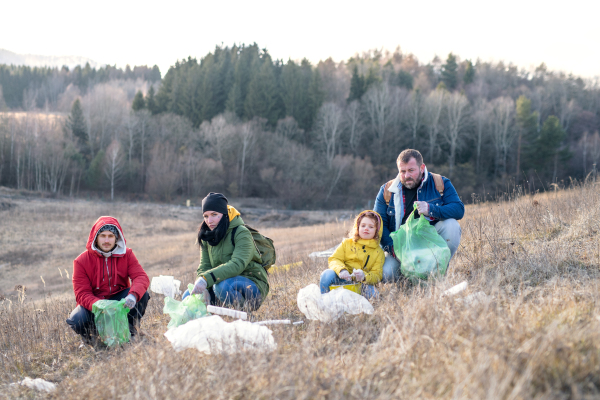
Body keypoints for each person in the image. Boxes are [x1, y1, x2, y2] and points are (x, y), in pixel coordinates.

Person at [374, 149, 464, 283]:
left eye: (411, 170)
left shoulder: (440, 183)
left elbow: (458, 209)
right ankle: (409, 277)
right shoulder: (387, 190)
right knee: (386, 274)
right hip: (401, 247)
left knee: (452, 226)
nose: (406, 176)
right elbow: (379, 225)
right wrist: (395, 250)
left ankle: (438, 270)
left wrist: (431, 209)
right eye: (402, 171)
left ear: (422, 168)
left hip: (430, 242)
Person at [67, 216, 150, 344]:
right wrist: (99, 305)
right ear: (95, 237)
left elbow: (141, 277)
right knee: (77, 318)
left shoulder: (126, 255)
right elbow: (81, 294)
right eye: (102, 236)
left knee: (142, 295)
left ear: (116, 238)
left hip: (120, 302)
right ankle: (92, 339)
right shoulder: (81, 261)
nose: (106, 240)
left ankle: (130, 331)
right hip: (95, 305)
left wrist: (132, 296)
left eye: (111, 236)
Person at [182, 192, 269, 311]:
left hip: (251, 284)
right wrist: (204, 287)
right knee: (187, 296)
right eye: (206, 216)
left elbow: (237, 264)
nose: (209, 220)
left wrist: (206, 279)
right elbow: (204, 266)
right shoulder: (208, 235)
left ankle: (245, 314)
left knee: (222, 287)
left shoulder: (241, 232)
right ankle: (213, 318)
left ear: (224, 214)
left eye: (214, 214)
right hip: (220, 284)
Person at [319, 210, 384, 299]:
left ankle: (360, 303)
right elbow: (334, 259)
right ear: (357, 227)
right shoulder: (347, 243)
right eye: (363, 225)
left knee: (374, 295)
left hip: (361, 284)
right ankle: (324, 299)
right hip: (341, 279)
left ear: (377, 231)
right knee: (327, 274)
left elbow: (377, 275)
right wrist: (341, 270)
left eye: (371, 227)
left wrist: (364, 276)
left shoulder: (378, 252)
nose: (366, 229)